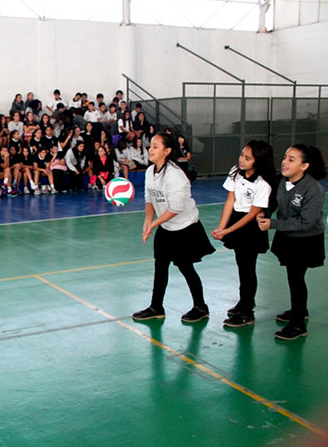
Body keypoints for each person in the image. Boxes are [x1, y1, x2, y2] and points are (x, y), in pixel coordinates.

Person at [133, 133, 215, 323]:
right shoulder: (150, 172)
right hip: (166, 226)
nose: (150, 150)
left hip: (185, 227)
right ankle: (156, 307)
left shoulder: (175, 175)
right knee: (160, 266)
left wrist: (154, 223)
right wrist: (147, 221)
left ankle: (201, 307)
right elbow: (150, 199)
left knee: (185, 267)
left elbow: (175, 208)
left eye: (155, 146)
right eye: (150, 146)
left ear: (167, 151)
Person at [257, 144, 326, 340]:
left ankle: (298, 324)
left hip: (306, 240)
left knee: (296, 279)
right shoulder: (282, 180)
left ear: (304, 166)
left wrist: (273, 223)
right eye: (285, 157)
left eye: (291, 159)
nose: (285, 162)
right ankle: (299, 311)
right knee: (292, 276)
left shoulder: (314, 190)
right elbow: (274, 202)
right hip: (288, 236)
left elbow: (306, 222)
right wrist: (266, 212)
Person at [211, 140, 275, 328]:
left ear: (258, 161)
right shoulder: (235, 172)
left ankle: (247, 311)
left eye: (248, 158)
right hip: (236, 220)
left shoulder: (263, 183)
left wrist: (229, 230)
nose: (242, 160)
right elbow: (230, 200)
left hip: (250, 226)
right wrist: (222, 227)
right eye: (242, 155)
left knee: (248, 268)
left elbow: (254, 213)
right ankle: (244, 301)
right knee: (241, 264)